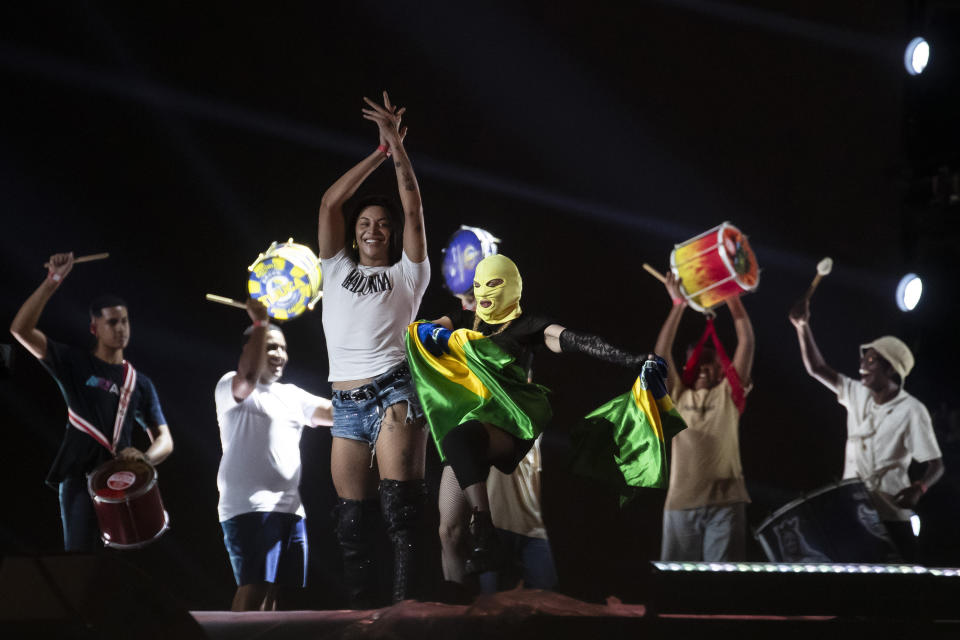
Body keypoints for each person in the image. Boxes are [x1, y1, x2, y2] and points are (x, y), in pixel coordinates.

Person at [415, 254, 668, 575]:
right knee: (448, 532)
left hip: (504, 425)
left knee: (459, 437)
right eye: (478, 286)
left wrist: (631, 360)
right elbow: (424, 331)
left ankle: (485, 528)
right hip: (465, 433)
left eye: (492, 284)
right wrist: (429, 333)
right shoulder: (465, 321)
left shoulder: (526, 326)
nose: (483, 293)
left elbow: (577, 340)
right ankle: (457, 606)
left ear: (511, 287)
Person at [316, 91, 430, 605]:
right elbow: (330, 203)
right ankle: (359, 616)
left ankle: (406, 615)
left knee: (401, 515)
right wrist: (380, 153)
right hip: (344, 402)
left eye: (381, 224)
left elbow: (413, 206)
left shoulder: (410, 274)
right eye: (365, 224)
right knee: (350, 523)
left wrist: (401, 153)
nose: (372, 229)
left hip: (392, 391)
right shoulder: (336, 269)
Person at [10, 251, 173, 552]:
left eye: (125, 321)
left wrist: (145, 458)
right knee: (79, 561)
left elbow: (165, 439)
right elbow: (20, 330)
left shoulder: (139, 382)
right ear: (94, 328)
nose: (121, 328)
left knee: (121, 567)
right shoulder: (73, 362)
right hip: (79, 479)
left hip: (123, 480)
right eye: (112, 322)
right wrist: (52, 280)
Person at [789, 298, 943, 561]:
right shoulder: (856, 393)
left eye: (872, 360)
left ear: (891, 368)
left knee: (895, 587)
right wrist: (802, 327)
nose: (862, 365)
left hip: (889, 515)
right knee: (854, 585)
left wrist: (920, 488)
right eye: (864, 358)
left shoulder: (912, 410)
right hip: (854, 511)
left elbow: (936, 464)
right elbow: (817, 368)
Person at [436, 280, 557, 593]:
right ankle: (455, 609)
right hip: (495, 526)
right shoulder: (473, 390)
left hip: (532, 530)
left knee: (549, 613)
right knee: (449, 532)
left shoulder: (532, 414)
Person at [215, 299, 333, 611]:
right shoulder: (231, 386)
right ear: (249, 349)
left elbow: (338, 412)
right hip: (250, 507)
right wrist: (259, 324)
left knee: (274, 595)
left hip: (291, 509)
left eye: (281, 348)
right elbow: (249, 375)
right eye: (269, 347)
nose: (278, 355)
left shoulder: (293, 395)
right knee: (253, 588)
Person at [654, 271, 755, 562]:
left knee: (721, 587)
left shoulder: (729, 394)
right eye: (695, 363)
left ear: (723, 369)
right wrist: (677, 306)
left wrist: (734, 299)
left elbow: (746, 342)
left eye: (708, 363)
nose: (700, 368)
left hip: (726, 504)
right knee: (677, 587)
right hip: (680, 504)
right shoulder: (677, 396)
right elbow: (661, 353)